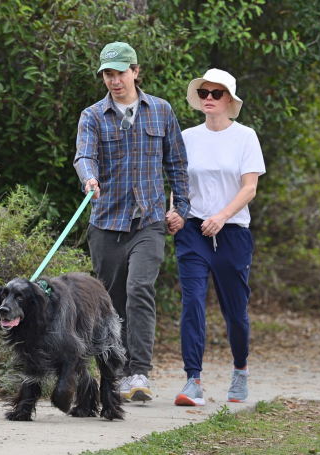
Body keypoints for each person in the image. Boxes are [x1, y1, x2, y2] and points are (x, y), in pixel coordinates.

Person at [73, 42, 190, 403]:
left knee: (140, 289)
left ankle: (139, 370)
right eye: (108, 74)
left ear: (135, 71)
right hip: (106, 222)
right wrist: (89, 178)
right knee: (111, 300)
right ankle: (114, 371)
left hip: (149, 220)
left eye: (120, 72)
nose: (115, 80)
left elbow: (176, 165)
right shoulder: (92, 116)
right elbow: (84, 155)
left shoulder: (162, 111)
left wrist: (181, 208)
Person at [166, 69, 266, 406]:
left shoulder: (246, 137)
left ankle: (240, 369)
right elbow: (179, 183)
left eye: (216, 93)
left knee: (235, 313)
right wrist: (175, 212)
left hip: (233, 233)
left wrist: (222, 217)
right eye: (204, 92)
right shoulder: (187, 137)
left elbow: (249, 187)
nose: (209, 98)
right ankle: (192, 380)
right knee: (192, 303)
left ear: (229, 100)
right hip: (192, 232)